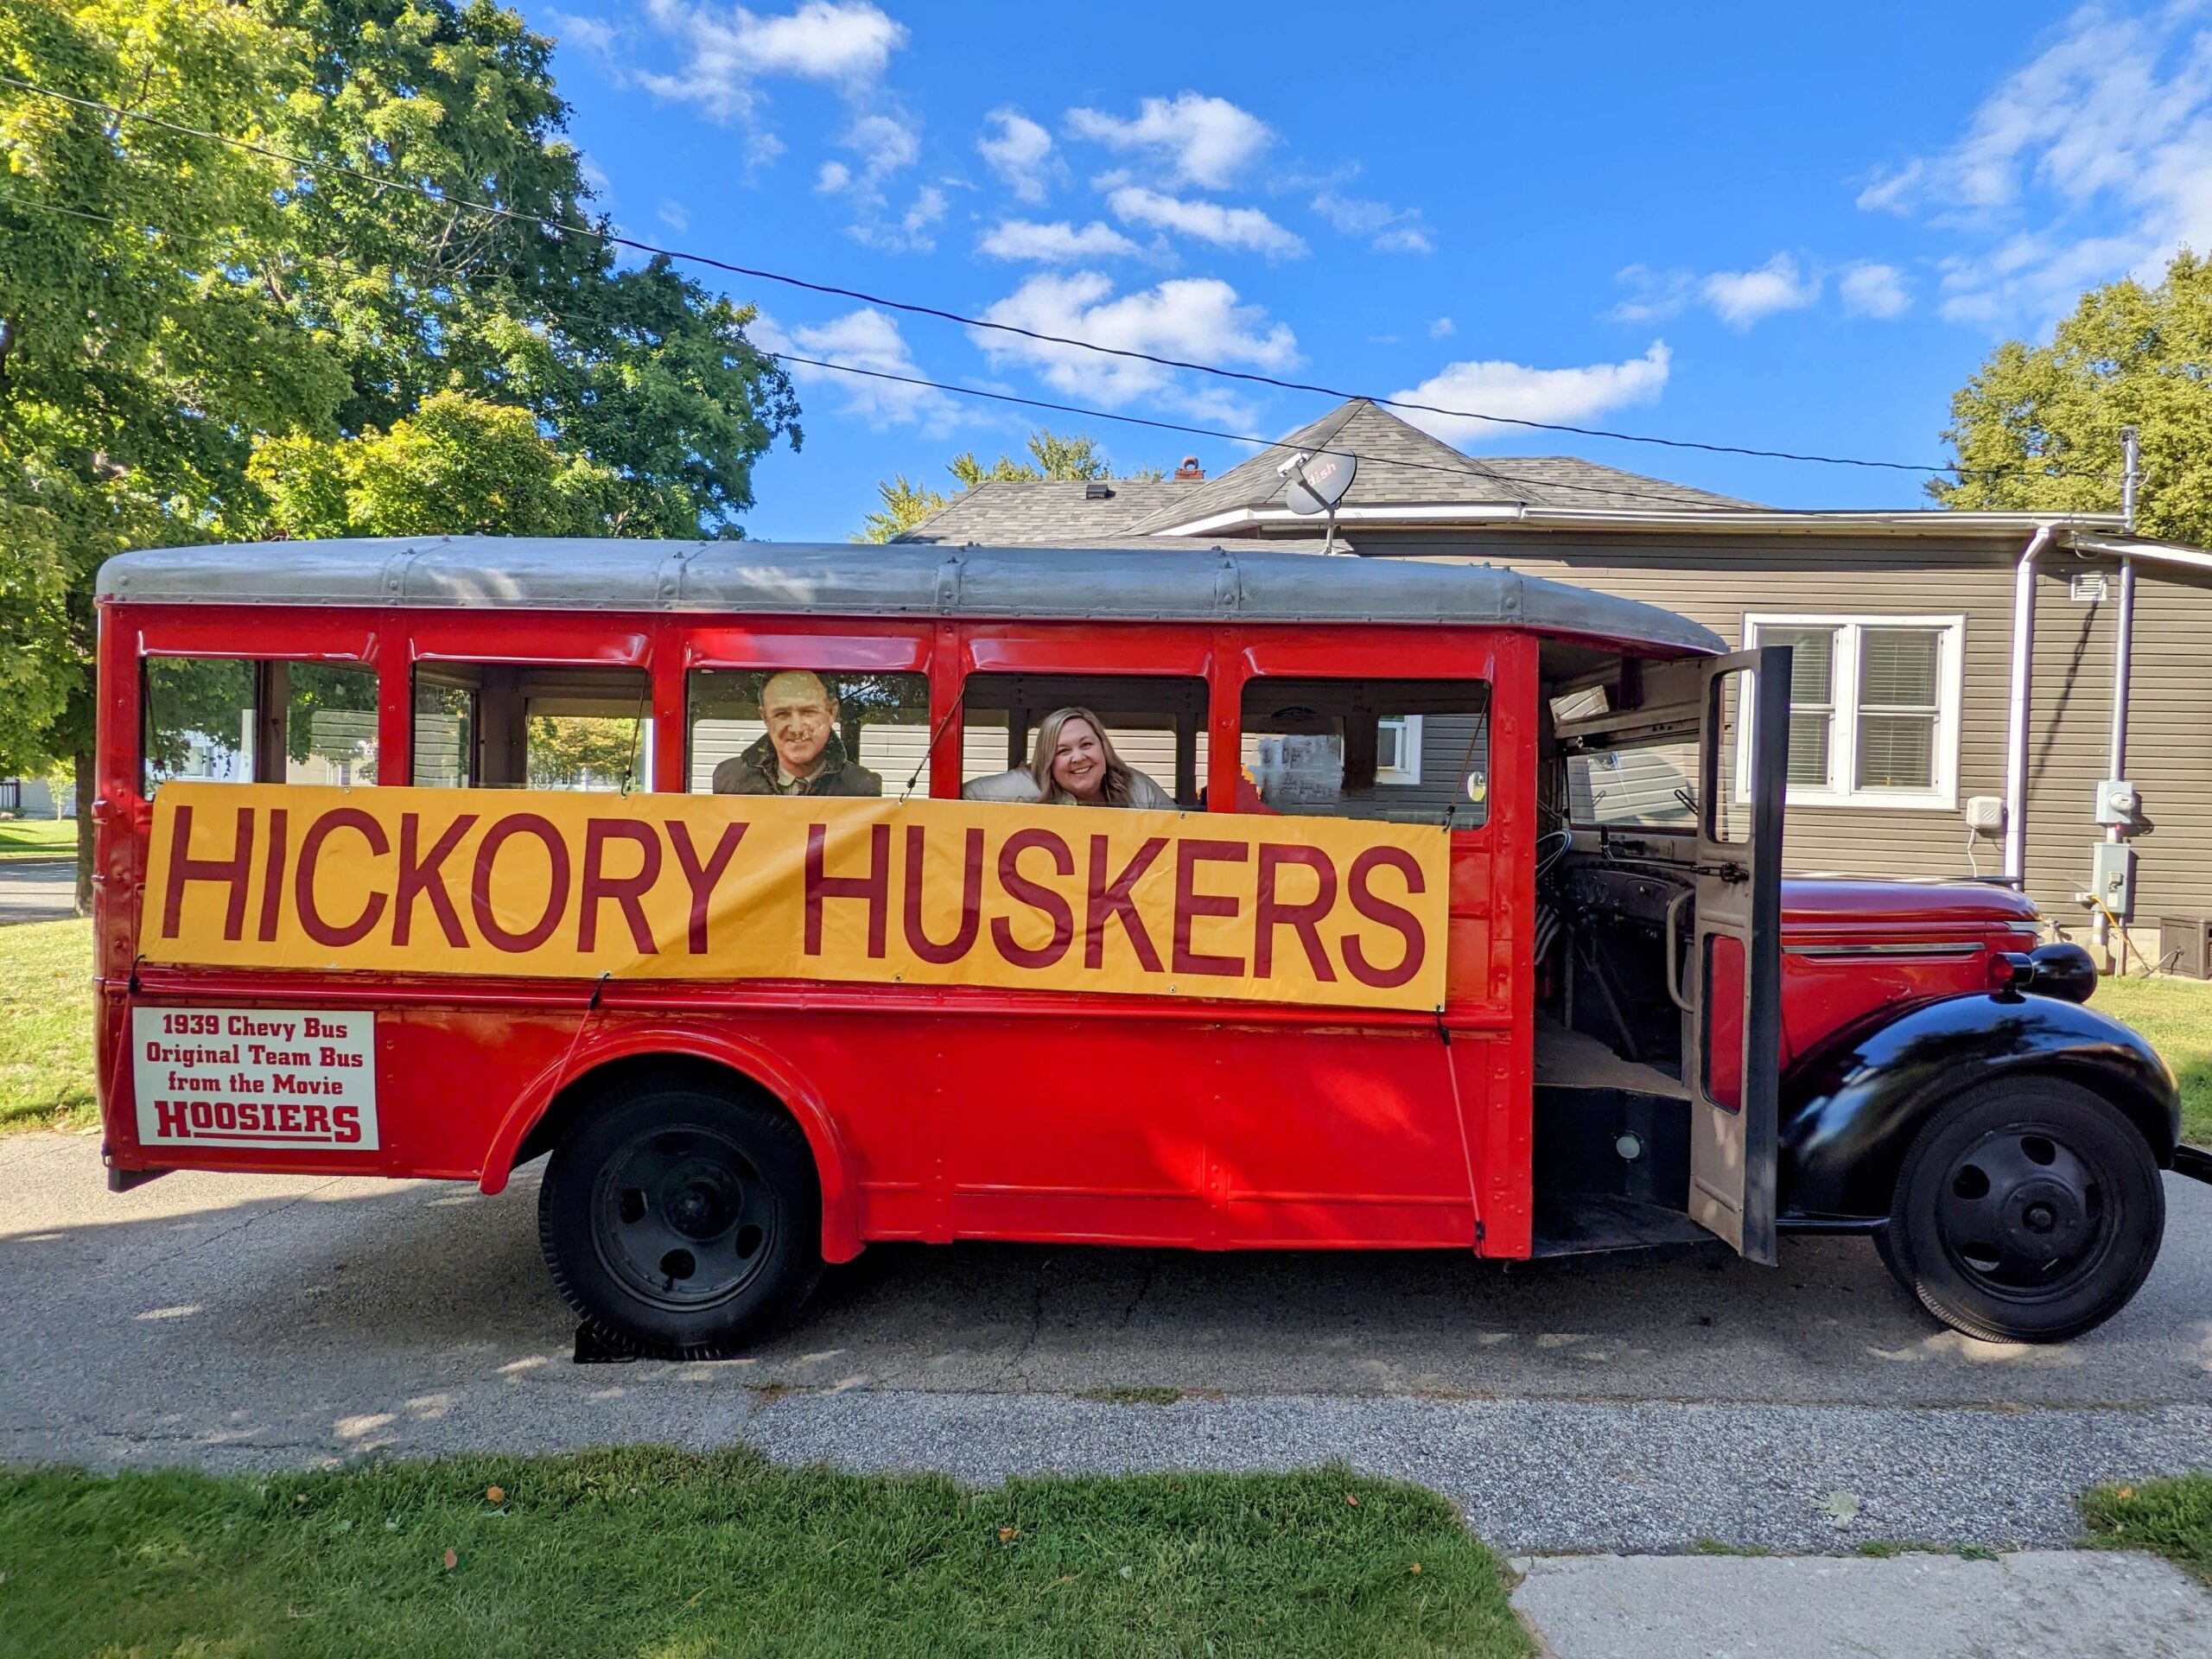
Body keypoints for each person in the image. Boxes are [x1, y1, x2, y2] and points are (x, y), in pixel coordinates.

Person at [710, 670, 883, 797]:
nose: (796, 728)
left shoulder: (864, 787)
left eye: (808, 711)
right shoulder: (729, 779)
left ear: (832, 712)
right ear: (765, 717)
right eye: (782, 714)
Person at [964, 706, 1175, 808]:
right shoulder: (1028, 786)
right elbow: (965, 797)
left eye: (1086, 745)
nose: (1078, 757)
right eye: (1063, 751)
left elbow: (1182, 832)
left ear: (1103, 749)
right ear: (1049, 762)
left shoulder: (1137, 789)